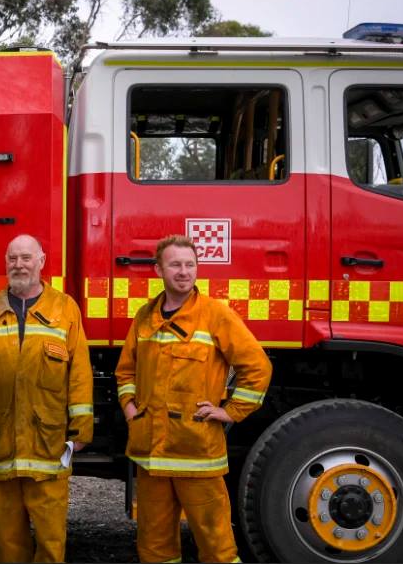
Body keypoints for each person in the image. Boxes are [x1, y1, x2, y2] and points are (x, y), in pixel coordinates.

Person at [114, 235, 272, 563]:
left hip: (197, 454)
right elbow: (125, 372)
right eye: (175, 265)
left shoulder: (215, 314)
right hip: (151, 457)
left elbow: (257, 366)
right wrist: (131, 409)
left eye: (190, 265)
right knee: (155, 548)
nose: (184, 272)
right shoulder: (145, 316)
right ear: (159, 270)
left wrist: (231, 411)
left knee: (217, 547)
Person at [0, 234, 94, 562]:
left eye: (26, 258)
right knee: (7, 539)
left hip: (46, 442)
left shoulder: (65, 308)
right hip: (0, 438)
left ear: (41, 261)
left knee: (50, 537)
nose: (19, 265)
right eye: (12, 258)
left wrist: (81, 430)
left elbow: (79, 373)